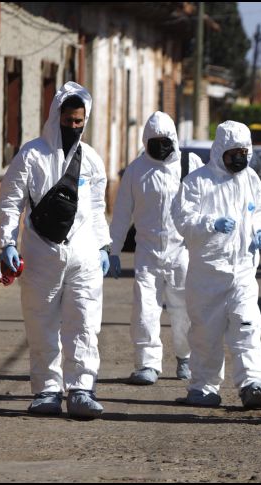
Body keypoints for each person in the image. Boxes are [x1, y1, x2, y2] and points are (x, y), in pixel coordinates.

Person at [0, 81, 111, 419]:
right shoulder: (31, 155)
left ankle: (81, 388)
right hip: (41, 253)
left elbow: (96, 206)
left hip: (84, 255)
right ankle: (47, 389)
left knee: (85, 321)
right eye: (68, 121)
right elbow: (10, 202)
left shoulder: (91, 160)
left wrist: (103, 245)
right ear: (55, 116)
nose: (73, 127)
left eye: (79, 122)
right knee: (41, 321)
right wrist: (7, 243)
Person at [171, 120, 261, 409]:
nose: (239, 158)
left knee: (247, 325)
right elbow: (182, 219)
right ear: (220, 151)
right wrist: (210, 224)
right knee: (206, 334)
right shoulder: (197, 182)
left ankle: (253, 383)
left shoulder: (251, 179)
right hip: (207, 274)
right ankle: (203, 387)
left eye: (244, 151)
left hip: (242, 270)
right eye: (234, 152)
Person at [108, 111, 203, 385]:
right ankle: (148, 363)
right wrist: (113, 251)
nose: (161, 145)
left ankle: (186, 358)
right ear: (146, 140)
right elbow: (122, 213)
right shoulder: (137, 171)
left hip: (182, 249)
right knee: (144, 309)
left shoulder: (189, 164)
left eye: (165, 140)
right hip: (147, 252)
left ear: (173, 138)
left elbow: (205, 203)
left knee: (184, 308)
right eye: (155, 140)